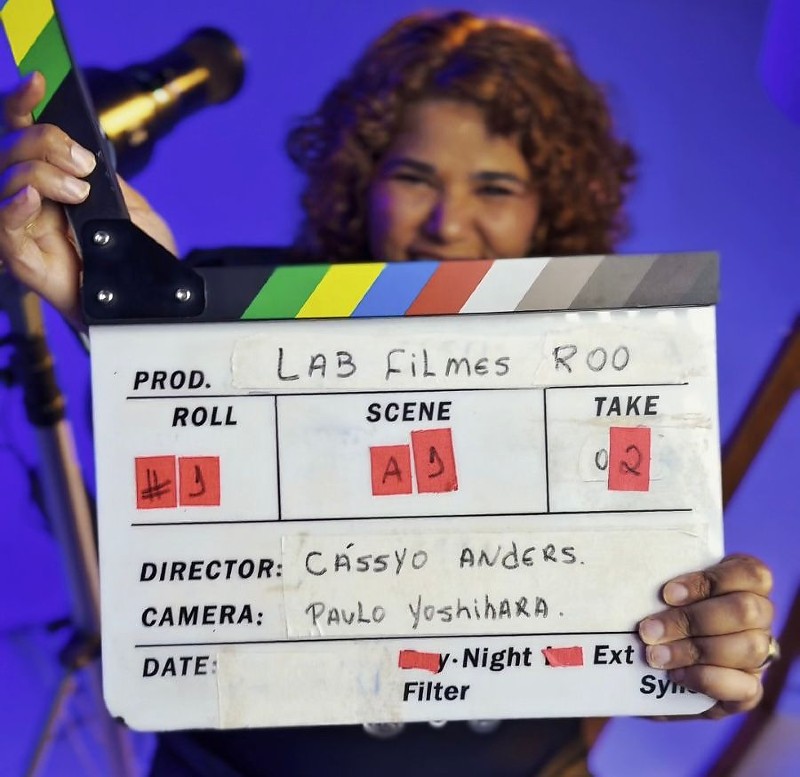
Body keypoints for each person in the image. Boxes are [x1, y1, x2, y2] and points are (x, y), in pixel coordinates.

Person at [0, 10, 777, 776]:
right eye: (413, 177)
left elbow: (646, 612)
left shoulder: (609, 371)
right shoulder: (232, 295)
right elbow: (170, 476)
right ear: (360, 179)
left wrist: (706, 646)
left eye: (496, 188)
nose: (448, 223)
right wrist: (127, 312)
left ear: (551, 205)